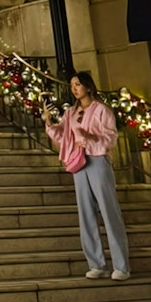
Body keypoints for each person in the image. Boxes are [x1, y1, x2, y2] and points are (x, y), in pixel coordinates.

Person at [43, 71, 131, 281]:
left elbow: (110, 137)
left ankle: (121, 266)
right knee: (86, 214)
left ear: (88, 87)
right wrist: (48, 122)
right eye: (72, 85)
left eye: (78, 84)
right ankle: (96, 264)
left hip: (98, 160)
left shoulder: (101, 110)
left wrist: (90, 137)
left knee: (109, 212)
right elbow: (63, 136)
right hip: (79, 162)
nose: (75, 88)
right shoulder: (71, 113)